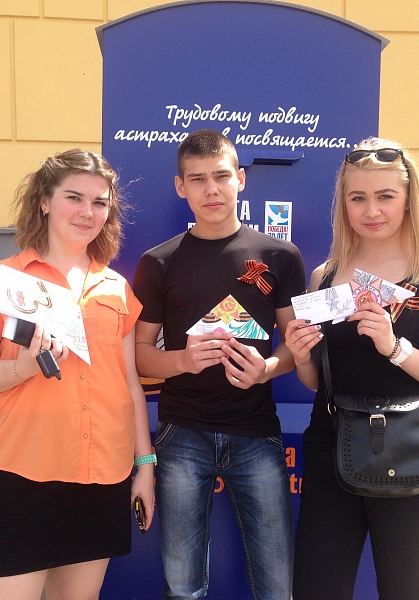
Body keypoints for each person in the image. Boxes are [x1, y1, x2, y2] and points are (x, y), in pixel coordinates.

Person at [0, 149, 155, 600]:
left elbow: (129, 383)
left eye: (100, 202)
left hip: (103, 478)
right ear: (44, 201)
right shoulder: (1, 280)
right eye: (74, 198)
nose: (87, 212)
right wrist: (23, 367)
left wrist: (144, 466)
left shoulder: (116, 288)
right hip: (24, 476)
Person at [286, 138, 419, 600]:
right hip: (332, 450)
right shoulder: (325, 277)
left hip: (412, 453)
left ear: (408, 200)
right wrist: (301, 356)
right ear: (343, 203)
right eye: (358, 197)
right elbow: (318, 383)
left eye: (385, 196)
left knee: (403, 591)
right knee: (316, 590)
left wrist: (396, 349)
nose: (371, 210)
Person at [132, 129, 305, 600]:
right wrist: (184, 360)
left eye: (221, 176)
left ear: (241, 180)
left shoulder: (280, 256)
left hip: (257, 433)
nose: (211, 189)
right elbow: (139, 354)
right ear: (180, 187)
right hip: (181, 435)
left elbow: (296, 346)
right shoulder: (158, 262)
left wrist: (267, 368)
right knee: (182, 586)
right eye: (197, 179)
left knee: (277, 586)